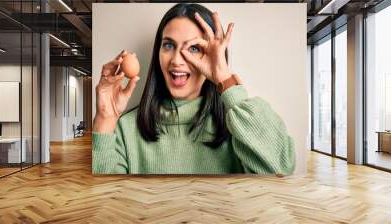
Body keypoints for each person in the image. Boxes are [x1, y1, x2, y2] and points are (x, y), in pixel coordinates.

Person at [92, 3, 296, 175]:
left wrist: (223, 78)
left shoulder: (237, 126)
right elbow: (106, 205)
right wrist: (105, 118)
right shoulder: (126, 128)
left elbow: (280, 171)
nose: (176, 60)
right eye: (169, 46)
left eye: (194, 48)